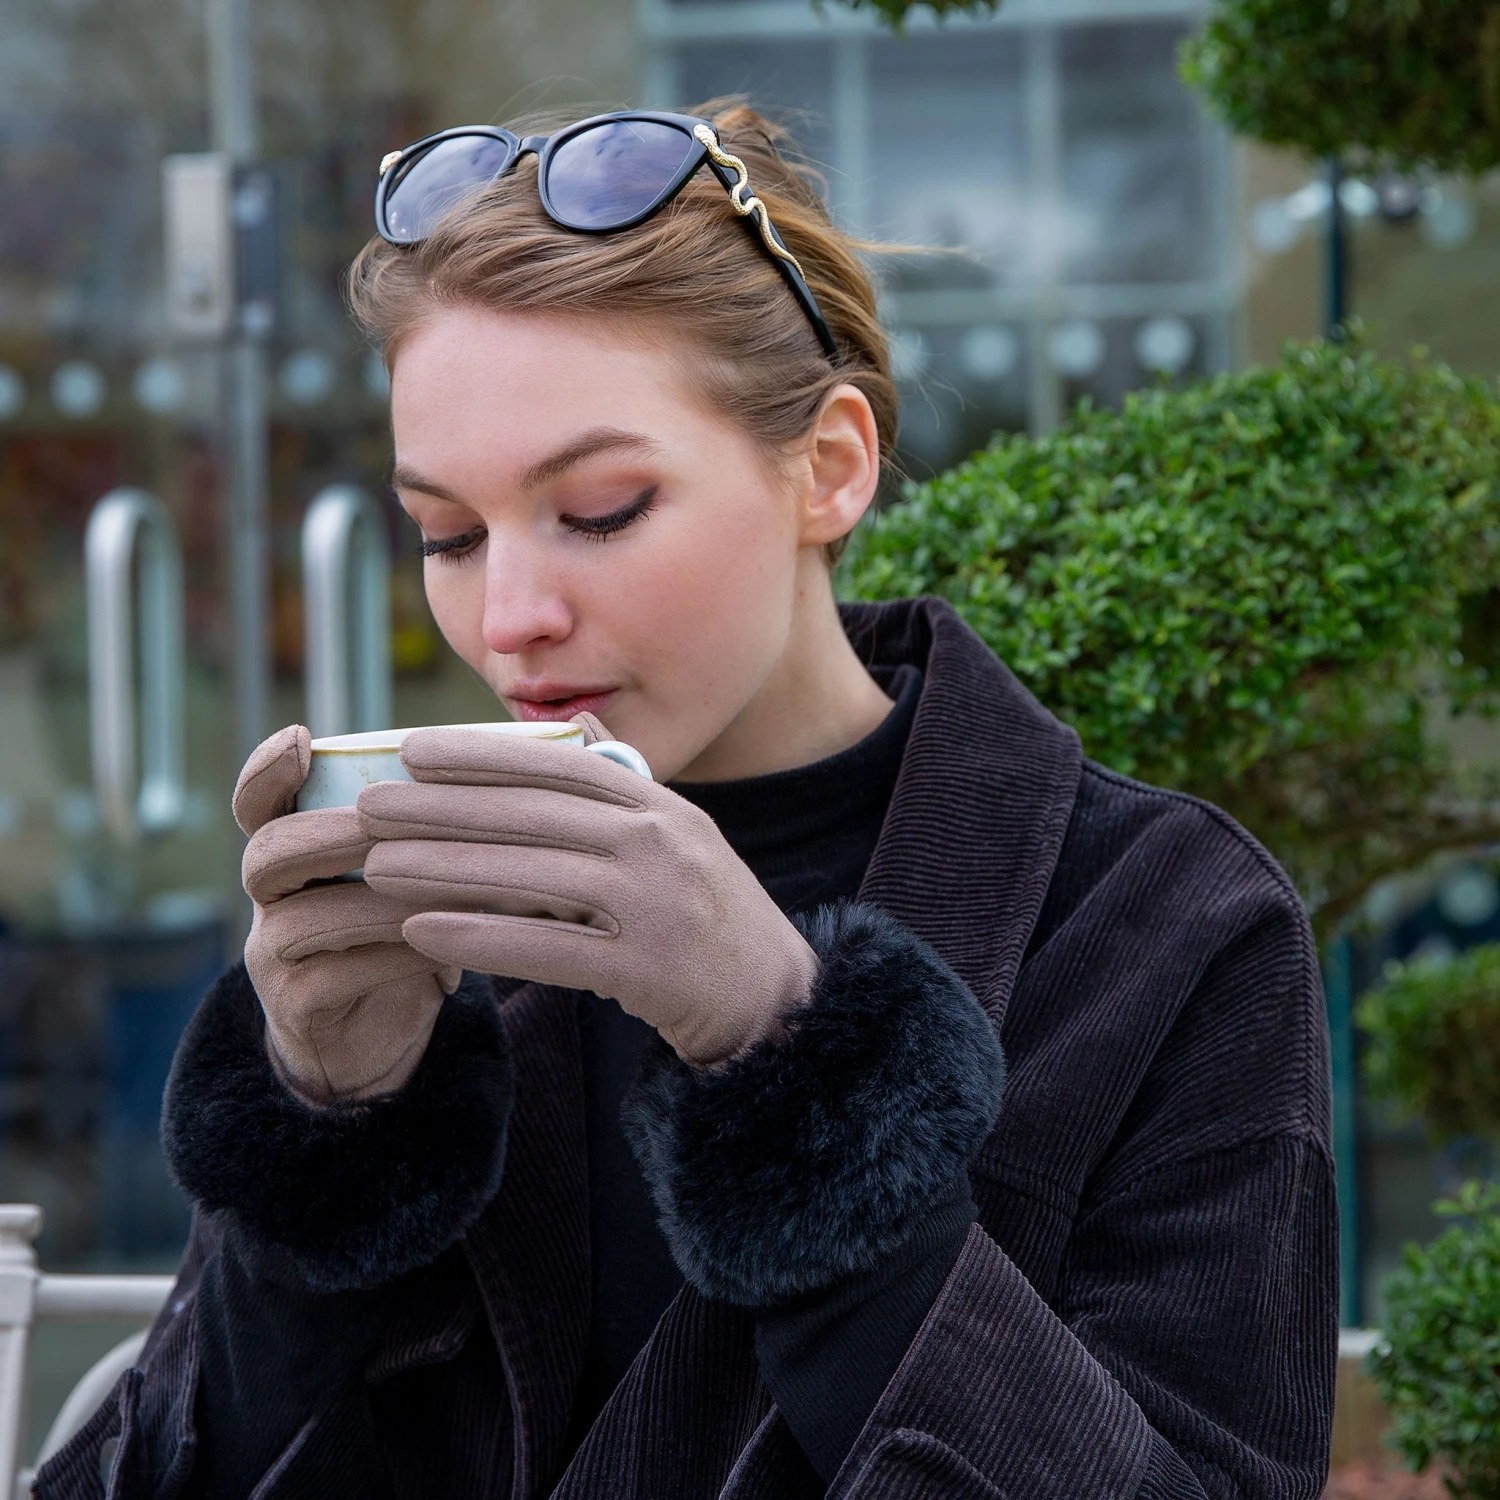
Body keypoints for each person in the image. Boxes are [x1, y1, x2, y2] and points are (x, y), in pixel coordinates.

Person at [37, 103, 1336, 1500]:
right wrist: (321, 1139)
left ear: (829, 467)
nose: (510, 618)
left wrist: (787, 1058)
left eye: (601, 508)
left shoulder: (1168, 926)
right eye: (447, 534)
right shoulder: (428, 918)